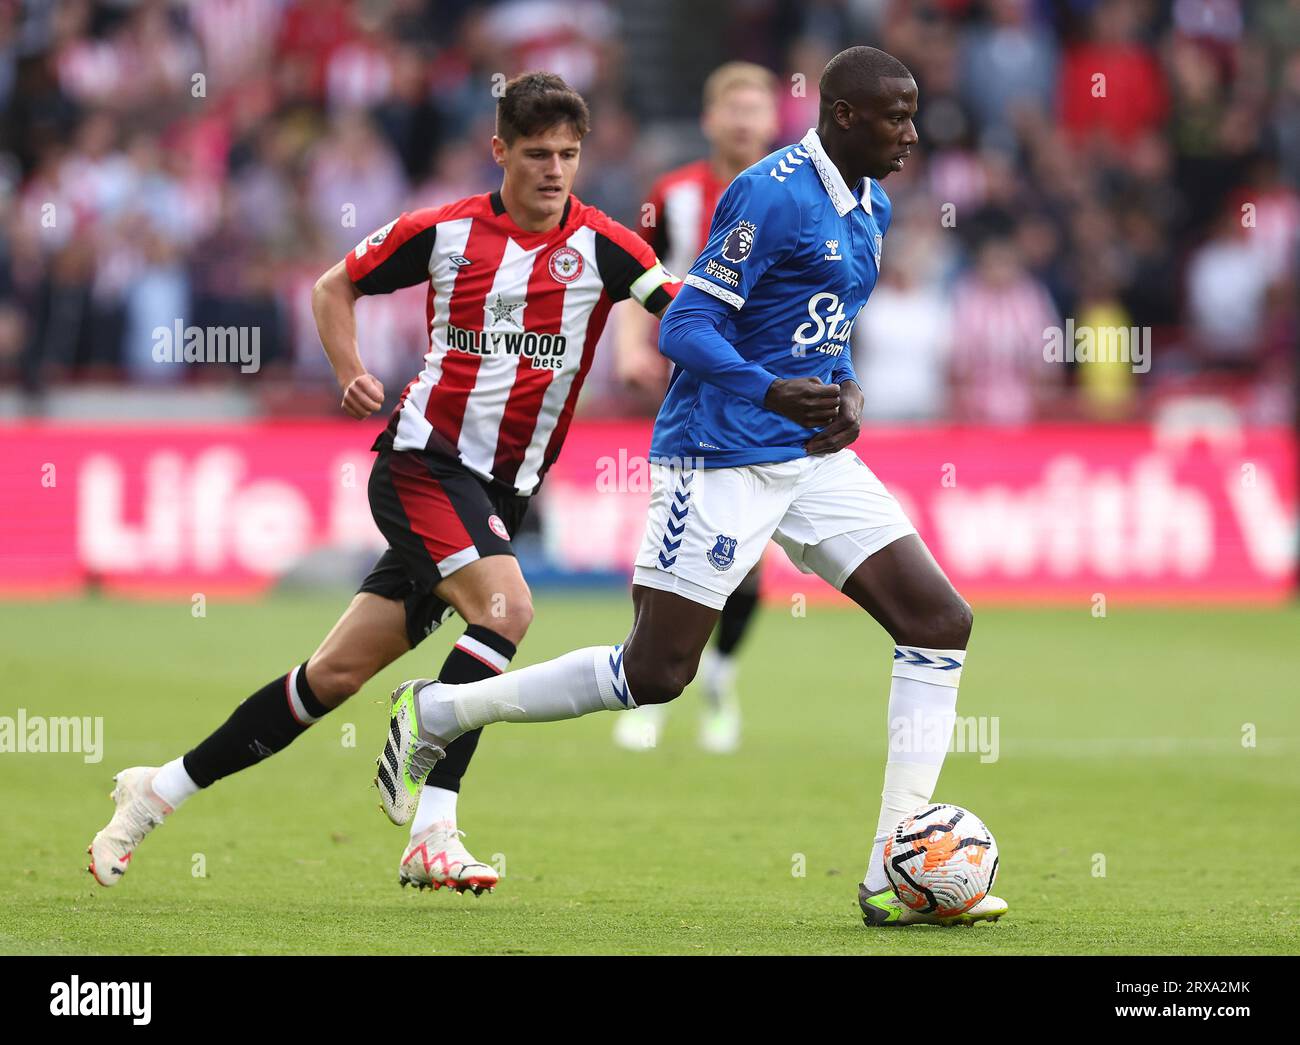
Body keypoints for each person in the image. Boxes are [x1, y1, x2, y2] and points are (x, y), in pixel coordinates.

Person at [374, 46, 1008, 927]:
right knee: (655, 671)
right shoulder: (770, 193)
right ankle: (441, 707)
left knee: (939, 621)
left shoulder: (873, 202)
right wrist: (767, 387)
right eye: (895, 116)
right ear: (843, 117)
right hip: (716, 454)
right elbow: (690, 326)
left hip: (811, 457)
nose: (912, 132)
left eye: (913, 113)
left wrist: (844, 389)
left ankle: (893, 871)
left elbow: (824, 330)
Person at [87, 72, 680, 896]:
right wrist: (350, 368)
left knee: (328, 678)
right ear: (499, 149)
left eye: (569, 155)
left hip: (500, 493)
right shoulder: (443, 233)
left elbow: (678, 310)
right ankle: (435, 825)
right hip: (423, 464)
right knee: (507, 607)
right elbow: (336, 286)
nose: (554, 170)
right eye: (538, 153)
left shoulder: (610, 247)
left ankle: (152, 794)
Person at [613, 61, 780, 755]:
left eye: (756, 107)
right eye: (732, 106)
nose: (744, 119)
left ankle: (717, 675)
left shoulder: (798, 192)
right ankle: (646, 688)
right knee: (666, 548)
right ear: (710, 119)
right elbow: (634, 275)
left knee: (745, 561)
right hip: (691, 395)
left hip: (768, 396)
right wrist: (629, 349)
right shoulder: (673, 193)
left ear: (774, 120)